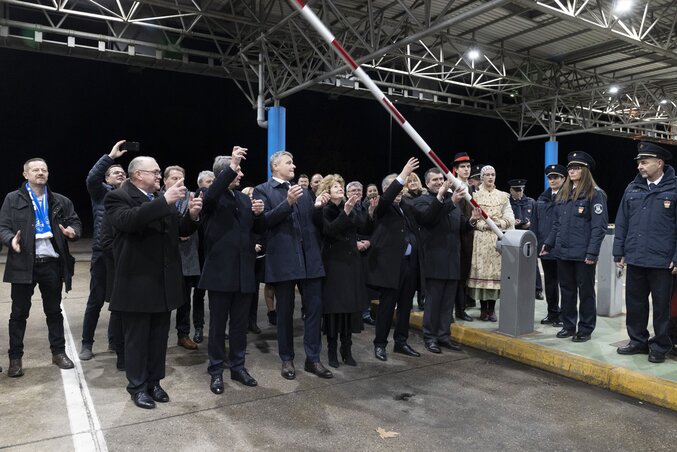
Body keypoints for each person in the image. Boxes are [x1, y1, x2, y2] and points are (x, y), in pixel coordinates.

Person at [105, 156, 202, 409]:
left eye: (160, 172)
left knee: (159, 338)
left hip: (163, 282)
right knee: (137, 340)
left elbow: (177, 230)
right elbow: (129, 221)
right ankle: (137, 387)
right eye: (155, 172)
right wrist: (164, 201)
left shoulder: (159, 199)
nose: (160, 176)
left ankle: (154, 382)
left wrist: (191, 216)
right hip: (137, 283)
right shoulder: (119, 197)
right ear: (137, 175)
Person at [254, 151, 333, 380]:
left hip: (310, 261)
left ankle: (313, 359)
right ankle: (287, 359)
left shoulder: (305, 192)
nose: (293, 165)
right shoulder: (263, 190)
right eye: (289, 162)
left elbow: (316, 226)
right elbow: (264, 222)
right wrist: (288, 203)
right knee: (285, 314)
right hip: (284, 262)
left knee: (314, 311)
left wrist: (318, 207)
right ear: (275, 166)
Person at [0, 158, 81, 377]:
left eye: (44, 169)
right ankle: (15, 359)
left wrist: (73, 232)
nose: (40, 172)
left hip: (52, 264)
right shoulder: (12, 199)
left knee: (54, 312)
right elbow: (3, 227)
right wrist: (10, 240)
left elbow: (75, 222)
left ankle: (58, 353)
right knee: (18, 314)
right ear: (25, 174)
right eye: (35, 170)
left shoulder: (60, 201)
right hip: (23, 263)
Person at [199, 147, 265, 393]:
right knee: (218, 326)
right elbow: (212, 196)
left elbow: (252, 230)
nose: (241, 174)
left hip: (244, 272)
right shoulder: (210, 194)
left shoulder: (243, 199)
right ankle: (216, 370)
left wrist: (258, 216)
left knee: (239, 325)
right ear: (224, 173)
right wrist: (232, 164)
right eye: (237, 170)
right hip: (220, 274)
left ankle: (238, 367)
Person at [614, 142, 677, 363]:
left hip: (662, 261)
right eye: (639, 162)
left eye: (644, 162)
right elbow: (621, 222)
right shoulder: (632, 188)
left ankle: (660, 346)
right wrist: (618, 252)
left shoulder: (674, 188)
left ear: (659, 163)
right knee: (635, 303)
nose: (640, 166)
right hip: (636, 257)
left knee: (662, 308)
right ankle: (638, 342)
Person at [412, 168, 482, 353]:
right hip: (435, 262)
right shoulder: (422, 202)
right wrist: (446, 199)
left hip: (453, 261)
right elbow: (428, 219)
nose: (438, 181)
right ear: (427, 183)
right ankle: (430, 337)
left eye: (441, 178)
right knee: (433, 303)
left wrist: (472, 221)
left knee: (447, 304)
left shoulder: (454, 204)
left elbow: (460, 228)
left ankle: (444, 336)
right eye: (434, 179)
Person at [542, 151, 608, 343]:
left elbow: (599, 227)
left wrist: (592, 253)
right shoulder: (563, 195)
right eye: (570, 167)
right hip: (563, 253)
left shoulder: (595, 194)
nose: (572, 170)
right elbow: (557, 224)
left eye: (576, 167)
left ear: (585, 171)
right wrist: (548, 243)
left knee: (586, 292)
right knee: (567, 290)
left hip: (583, 255)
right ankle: (569, 325)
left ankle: (585, 328)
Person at [368, 158, 425, 362]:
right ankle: (380, 344)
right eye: (397, 189)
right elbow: (388, 197)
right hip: (391, 267)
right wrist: (403, 174)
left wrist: (445, 199)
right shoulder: (382, 207)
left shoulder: (406, 207)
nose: (400, 193)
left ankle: (401, 342)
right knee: (386, 307)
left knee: (405, 306)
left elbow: (427, 217)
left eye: (401, 190)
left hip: (409, 265)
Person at [80, 140, 128, 360]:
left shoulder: (129, 196)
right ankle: (87, 343)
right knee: (96, 299)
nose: (119, 173)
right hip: (102, 253)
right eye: (115, 172)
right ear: (107, 179)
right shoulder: (101, 194)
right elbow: (91, 178)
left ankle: (114, 341)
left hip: (123, 254)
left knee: (119, 301)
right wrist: (110, 157)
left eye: (122, 172)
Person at [319, 175, 372, 367]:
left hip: (351, 265)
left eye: (341, 186)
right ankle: (332, 352)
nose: (340, 189)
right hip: (334, 266)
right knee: (334, 311)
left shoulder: (346, 207)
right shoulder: (326, 210)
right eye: (335, 187)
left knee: (349, 309)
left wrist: (364, 210)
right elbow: (329, 231)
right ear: (327, 191)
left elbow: (361, 225)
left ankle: (346, 350)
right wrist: (346, 211)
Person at [467, 165, 515, 322]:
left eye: (493, 174)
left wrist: (498, 223)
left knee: (495, 274)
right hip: (480, 240)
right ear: (482, 177)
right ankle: (483, 309)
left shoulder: (503, 196)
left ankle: (492, 309)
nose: (490, 177)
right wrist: (483, 225)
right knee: (482, 273)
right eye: (487, 174)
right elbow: (472, 218)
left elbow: (510, 218)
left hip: (497, 240)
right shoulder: (475, 195)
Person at [163, 166, 200, 351]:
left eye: (182, 178)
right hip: (165, 257)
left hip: (187, 256)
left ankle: (183, 335)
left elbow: (197, 222)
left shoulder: (192, 197)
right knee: (163, 299)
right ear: (165, 181)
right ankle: (160, 336)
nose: (179, 181)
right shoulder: (158, 198)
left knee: (185, 300)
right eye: (174, 178)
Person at [531, 164, 567, 327]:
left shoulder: (568, 198)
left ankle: (565, 316)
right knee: (550, 284)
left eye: (556, 177)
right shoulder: (541, 199)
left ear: (563, 179)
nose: (552, 180)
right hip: (545, 249)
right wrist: (536, 245)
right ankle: (552, 313)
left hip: (562, 248)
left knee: (566, 285)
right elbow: (535, 224)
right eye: (550, 178)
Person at [508, 178, 544, 300]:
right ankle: (512, 288)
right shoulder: (507, 202)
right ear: (511, 190)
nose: (519, 193)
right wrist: (514, 223)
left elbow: (537, 220)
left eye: (521, 190)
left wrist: (530, 224)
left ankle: (537, 289)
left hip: (528, 236)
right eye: (516, 190)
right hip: (513, 237)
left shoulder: (531, 202)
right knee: (512, 264)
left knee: (532, 263)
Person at [191, 170, 215, 343]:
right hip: (199, 256)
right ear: (200, 184)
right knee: (198, 295)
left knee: (216, 297)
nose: (212, 184)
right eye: (209, 181)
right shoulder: (199, 197)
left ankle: (217, 327)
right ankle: (198, 328)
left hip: (213, 255)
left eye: (214, 181)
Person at [451, 151, 476, 319]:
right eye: (463, 167)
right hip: (455, 235)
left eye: (468, 166)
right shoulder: (453, 187)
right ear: (456, 169)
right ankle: (455, 310)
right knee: (455, 275)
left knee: (464, 274)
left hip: (469, 236)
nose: (466, 169)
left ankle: (461, 309)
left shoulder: (473, 188)